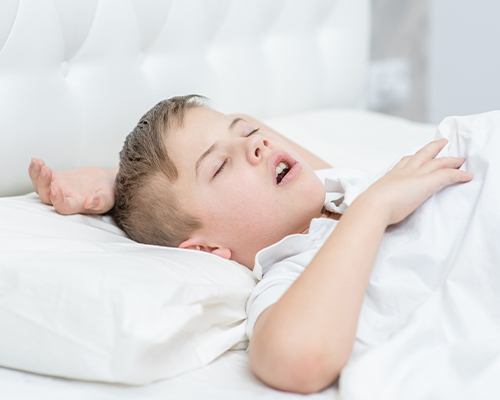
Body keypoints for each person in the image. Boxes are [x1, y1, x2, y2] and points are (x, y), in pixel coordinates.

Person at [28, 95, 473, 394]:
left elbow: (248, 127)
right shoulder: (294, 273)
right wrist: (373, 210)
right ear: (205, 251)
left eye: (243, 133)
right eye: (220, 167)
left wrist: (113, 180)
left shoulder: (342, 183)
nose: (256, 143)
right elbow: (295, 359)